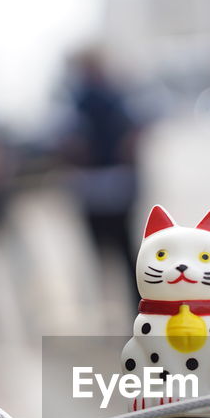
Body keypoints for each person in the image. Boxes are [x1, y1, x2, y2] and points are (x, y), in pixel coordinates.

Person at [58, 49, 144, 306]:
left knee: (108, 254)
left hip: (101, 183)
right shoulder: (114, 97)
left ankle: (119, 307)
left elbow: (71, 145)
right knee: (121, 252)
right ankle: (128, 307)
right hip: (107, 183)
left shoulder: (79, 101)